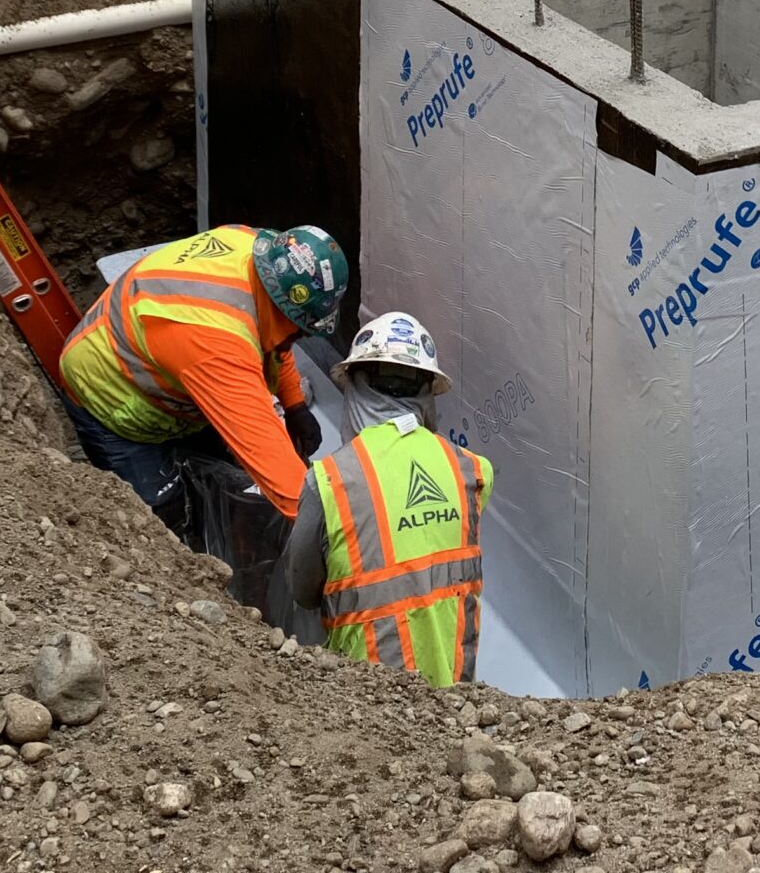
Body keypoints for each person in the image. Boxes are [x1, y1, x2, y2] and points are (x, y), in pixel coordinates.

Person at [57, 223, 343, 536]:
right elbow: (269, 457)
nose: (299, 338)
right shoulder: (216, 344)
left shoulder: (259, 250)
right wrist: (333, 539)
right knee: (162, 519)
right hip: (111, 396)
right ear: (283, 308)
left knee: (218, 481)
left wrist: (295, 404)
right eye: (301, 328)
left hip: (168, 367)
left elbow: (274, 341)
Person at [284, 311, 493, 687]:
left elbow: (303, 593)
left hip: (373, 708)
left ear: (355, 385)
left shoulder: (328, 481)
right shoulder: (473, 472)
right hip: (459, 697)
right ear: (429, 390)